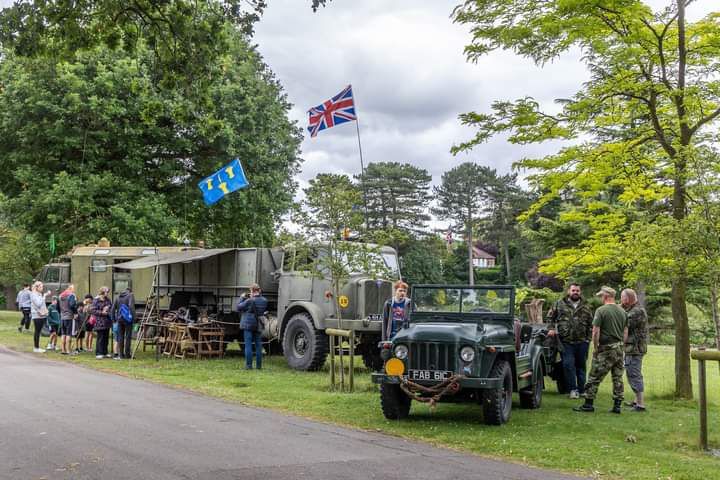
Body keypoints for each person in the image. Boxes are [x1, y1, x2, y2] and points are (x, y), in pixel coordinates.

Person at [574, 286, 628, 414]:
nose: (600, 298)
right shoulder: (623, 312)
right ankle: (617, 405)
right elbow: (626, 331)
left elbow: (595, 331)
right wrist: (621, 345)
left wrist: (596, 347)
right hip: (619, 348)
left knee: (594, 376)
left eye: (601, 296)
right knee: (617, 377)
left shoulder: (601, 311)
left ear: (606, 296)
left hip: (606, 348)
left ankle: (588, 404)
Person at [546, 283, 593, 399]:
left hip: (582, 342)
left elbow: (591, 324)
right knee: (568, 365)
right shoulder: (559, 304)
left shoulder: (586, 306)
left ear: (580, 292)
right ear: (569, 292)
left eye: (577, 290)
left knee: (581, 366)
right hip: (565, 342)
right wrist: (551, 328)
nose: (575, 292)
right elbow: (550, 317)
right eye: (573, 290)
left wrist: (588, 339)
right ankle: (572, 389)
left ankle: (582, 390)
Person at [622, 288, 648, 412]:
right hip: (632, 347)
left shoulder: (637, 311)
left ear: (628, 299)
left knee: (634, 374)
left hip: (635, 348)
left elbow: (625, 322)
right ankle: (636, 400)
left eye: (623, 297)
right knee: (632, 372)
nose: (621, 300)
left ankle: (641, 404)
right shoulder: (632, 309)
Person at [236, 283, 268, 370]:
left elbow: (238, 307)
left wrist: (242, 297)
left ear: (252, 290)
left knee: (248, 345)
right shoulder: (264, 300)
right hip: (258, 325)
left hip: (248, 324)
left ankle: (249, 366)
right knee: (258, 346)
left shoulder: (249, 300)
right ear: (259, 290)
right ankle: (259, 366)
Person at [111, 287, 136, 359]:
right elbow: (131, 307)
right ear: (130, 291)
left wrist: (113, 319)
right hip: (128, 319)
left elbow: (112, 309)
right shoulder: (130, 295)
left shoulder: (118, 296)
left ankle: (120, 355)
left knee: (120, 337)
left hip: (119, 319)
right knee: (128, 337)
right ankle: (127, 355)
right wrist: (134, 318)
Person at [29, 281, 51, 353]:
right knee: (37, 331)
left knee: (38, 331)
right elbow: (38, 304)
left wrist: (45, 311)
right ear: (37, 287)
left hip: (41, 315)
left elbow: (42, 305)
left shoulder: (38, 294)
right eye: (41, 287)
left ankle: (37, 347)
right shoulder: (34, 294)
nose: (42, 288)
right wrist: (44, 296)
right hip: (37, 315)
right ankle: (36, 348)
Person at [91, 287, 113, 359]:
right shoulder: (96, 300)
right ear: (102, 292)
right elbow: (93, 311)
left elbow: (111, 306)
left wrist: (108, 308)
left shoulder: (108, 299)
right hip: (99, 321)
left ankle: (105, 352)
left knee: (106, 338)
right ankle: (98, 353)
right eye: (106, 292)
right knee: (100, 338)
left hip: (107, 321)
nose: (107, 293)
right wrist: (102, 312)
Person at [59, 285, 78, 355]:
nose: (74, 290)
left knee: (63, 334)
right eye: (73, 288)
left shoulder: (60, 295)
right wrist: (75, 313)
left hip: (62, 317)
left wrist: (61, 313)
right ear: (70, 289)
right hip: (69, 316)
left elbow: (58, 307)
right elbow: (72, 305)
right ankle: (68, 350)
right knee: (68, 334)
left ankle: (63, 350)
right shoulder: (71, 295)